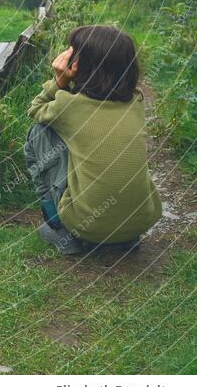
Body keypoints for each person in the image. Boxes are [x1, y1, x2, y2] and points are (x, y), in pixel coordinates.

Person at [24, 25, 162, 255]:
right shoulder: (136, 104)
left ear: (79, 65)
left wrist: (59, 81)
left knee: (39, 132)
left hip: (87, 226)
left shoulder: (69, 107)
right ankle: (122, 235)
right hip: (140, 221)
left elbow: (35, 108)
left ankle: (59, 225)